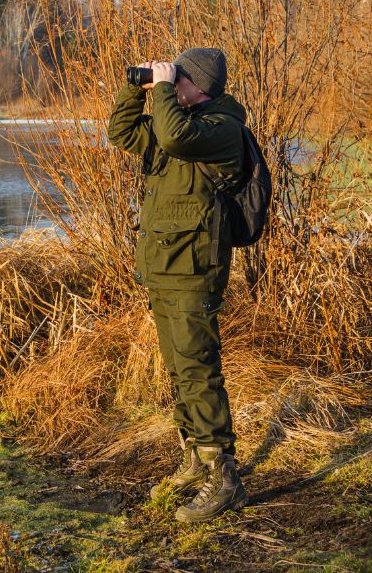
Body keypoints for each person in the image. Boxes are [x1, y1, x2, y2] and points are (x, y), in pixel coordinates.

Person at [106, 47, 248, 522]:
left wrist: (163, 90)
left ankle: (224, 478)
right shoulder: (176, 121)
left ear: (198, 84)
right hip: (164, 268)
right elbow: (121, 131)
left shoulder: (220, 127)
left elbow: (173, 135)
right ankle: (194, 460)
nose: (171, 82)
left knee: (198, 370)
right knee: (177, 369)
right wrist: (137, 87)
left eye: (179, 76)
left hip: (194, 269)